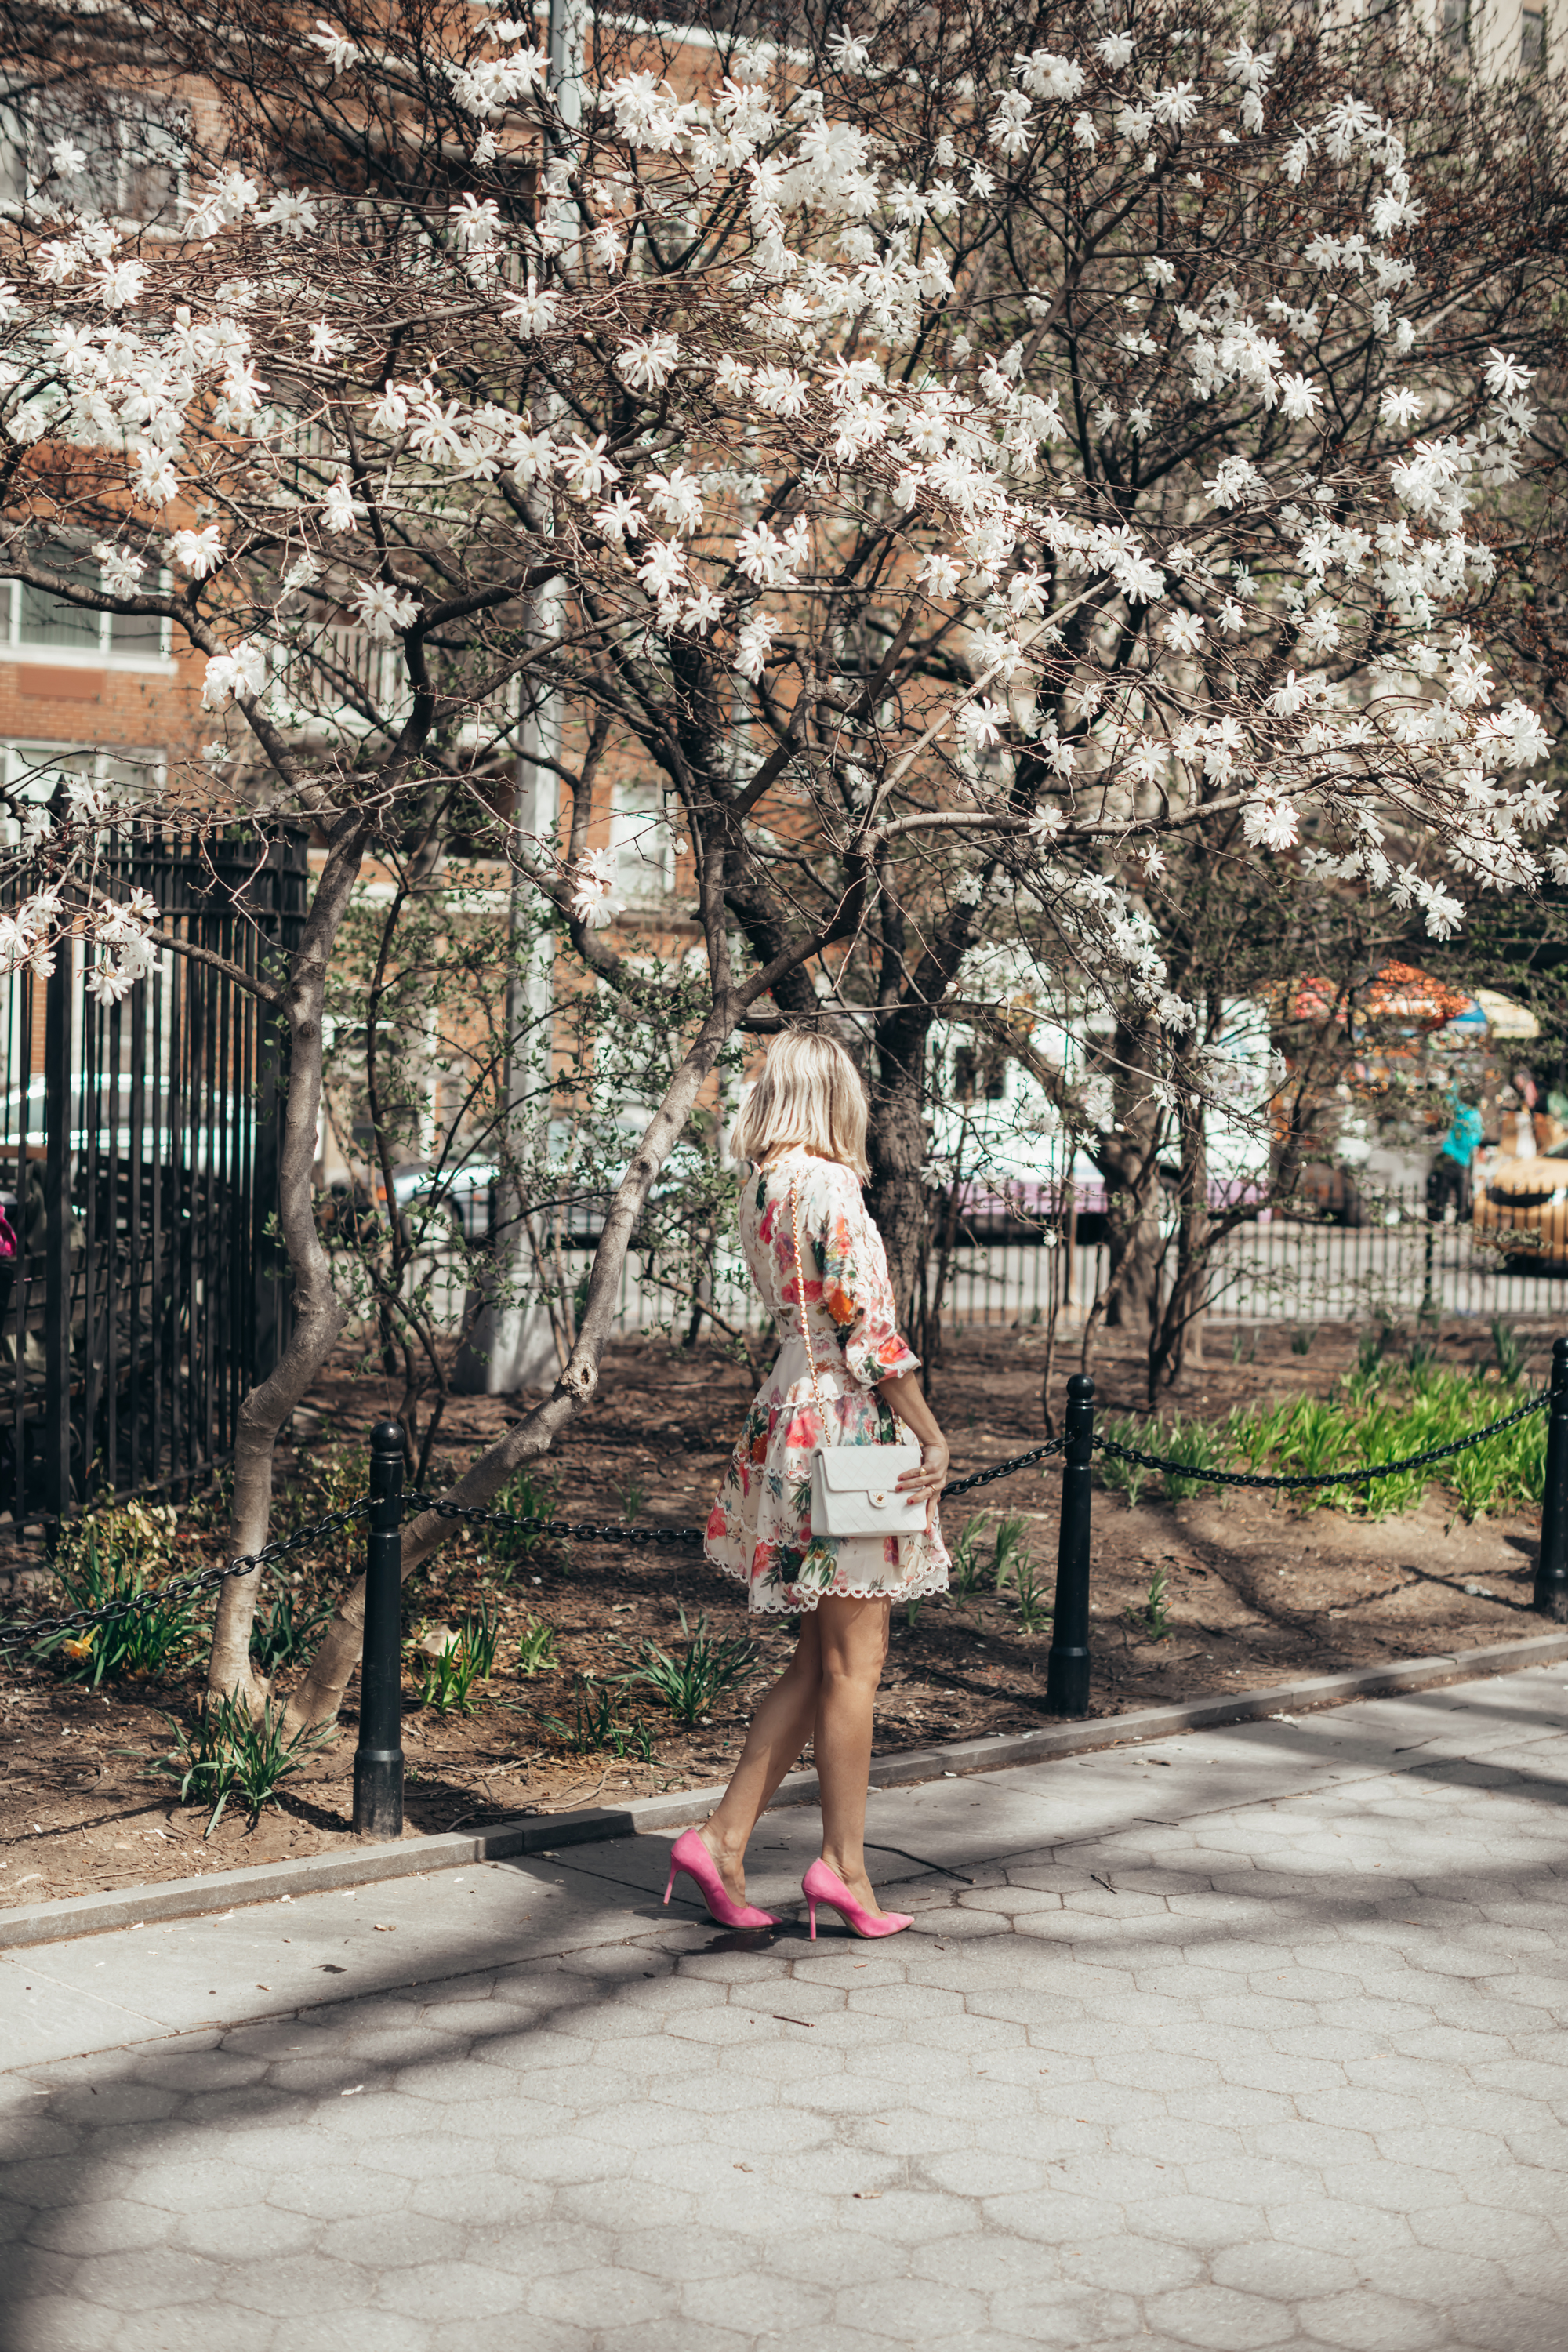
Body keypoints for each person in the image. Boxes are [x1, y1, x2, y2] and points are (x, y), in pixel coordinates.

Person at [664, 1029, 951, 1940]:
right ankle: (844, 1870)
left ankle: (722, 1839)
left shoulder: (762, 1184)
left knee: (816, 1661)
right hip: (851, 1425)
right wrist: (928, 1430)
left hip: (790, 1413)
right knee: (855, 1665)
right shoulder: (827, 1184)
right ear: (836, 1095)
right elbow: (867, 1331)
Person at [1428, 1087, 1483, 1221]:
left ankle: (1439, 1221)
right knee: (1461, 1195)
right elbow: (1476, 1138)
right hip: (1462, 1159)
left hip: (1451, 1155)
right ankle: (1460, 1222)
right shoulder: (1473, 1115)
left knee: (1443, 1193)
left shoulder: (1459, 1111)